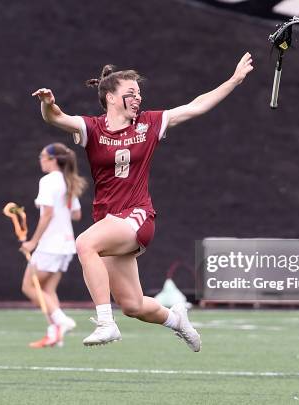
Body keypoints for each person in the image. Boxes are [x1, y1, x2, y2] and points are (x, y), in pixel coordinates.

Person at [32, 52, 254, 351]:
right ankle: (177, 320)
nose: (138, 98)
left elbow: (195, 106)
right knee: (133, 305)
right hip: (110, 222)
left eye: (139, 93)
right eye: (130, 93)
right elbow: (56, 117)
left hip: (137, 216)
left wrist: (234, 80)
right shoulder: (93, 128)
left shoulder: (149, 124)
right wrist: (48, 104)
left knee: (85, 244)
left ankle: (105, 323)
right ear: (110, 97)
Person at [21, 143, 86, 348]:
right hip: (66, 244)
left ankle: (61, 320)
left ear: (53, 160)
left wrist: (32, 242)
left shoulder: (48, 181)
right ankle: (54, 334)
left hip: (51, 245)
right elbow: (76, 215)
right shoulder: (68, 181)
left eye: (43, 156)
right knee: (48, 290)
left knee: (29, 286)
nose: (40, 160)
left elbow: (47, 214)